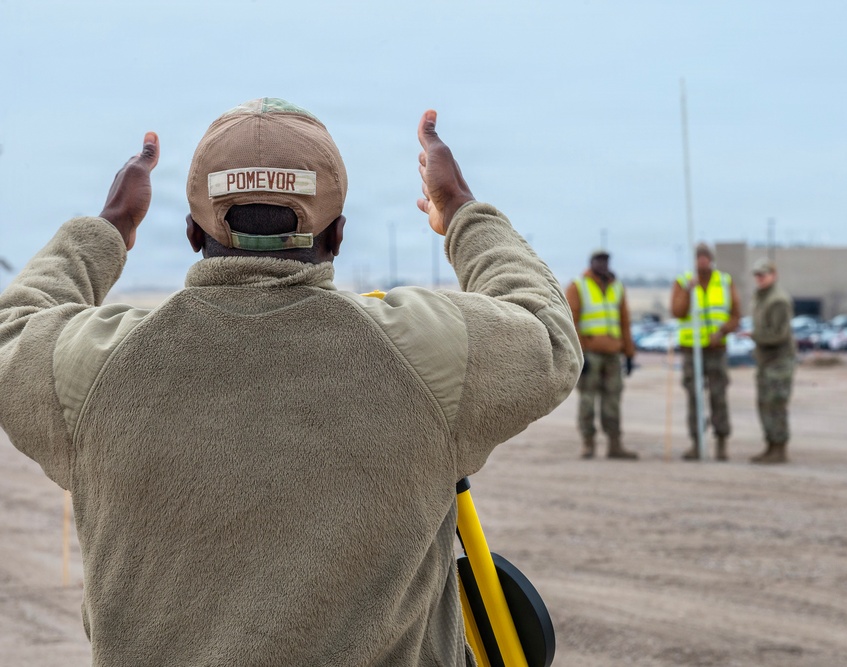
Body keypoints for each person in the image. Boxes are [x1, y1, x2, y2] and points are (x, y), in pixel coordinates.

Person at [0, 99, 582, 666]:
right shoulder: (425, 354)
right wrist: (459, 210)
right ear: (337, 235)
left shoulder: (95, 370)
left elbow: (11, 335)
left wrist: (108, 228)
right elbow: (545, 329)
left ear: (190, 232)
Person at [671, 242, 741, 461]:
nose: (703, 261)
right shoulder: (683, 282)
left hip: (716, 349)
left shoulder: (725, 281)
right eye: (699, 257)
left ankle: (721, 442)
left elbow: (735, 315)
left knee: (719, 396)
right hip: (692, 351)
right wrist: (687, 291)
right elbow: (677, 312)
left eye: (706, 257)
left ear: (711, 259)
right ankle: (696, 442)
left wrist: (722, 331)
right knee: (694, 397)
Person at [565, 249, 638, 459]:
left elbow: (624, 322)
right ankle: (588, 444)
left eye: (606, 260)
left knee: (612, 400)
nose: (603, 264)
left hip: (613, 354)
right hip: (591, 353)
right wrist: (580, 352)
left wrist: (629, 353)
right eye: (599, 260)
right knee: (588, 399)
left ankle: (615, 444)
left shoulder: (617, 287)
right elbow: (572, 321)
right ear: (591, 263)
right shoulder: (579, 286)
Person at [748, 257, 796, 464]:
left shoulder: (777, 300)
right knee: (764, 404)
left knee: (776, 404)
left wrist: (754, 336)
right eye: (757, 275)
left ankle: (779, 447)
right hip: (766, 360)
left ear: (773, 276)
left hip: (779, 361)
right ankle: (770, 445)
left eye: (763, 275)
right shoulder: (761, 297)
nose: (759, 279)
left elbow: (779, 335)